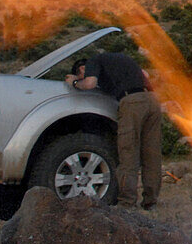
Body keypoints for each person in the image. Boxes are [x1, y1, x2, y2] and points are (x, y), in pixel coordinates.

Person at [67, 52, 162, 209]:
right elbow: (145, 74)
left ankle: (126, 202)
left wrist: (75, 82)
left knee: (128, 153)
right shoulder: (119, 59)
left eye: (81, 74)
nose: (82, 76)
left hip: (132, 102)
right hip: (152, 100)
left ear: (82, 68)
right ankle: (150, 201)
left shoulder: (93, 60)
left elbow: (89, 83)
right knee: (151, 154)